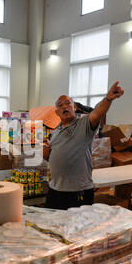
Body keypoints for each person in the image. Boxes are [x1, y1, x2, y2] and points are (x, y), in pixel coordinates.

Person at [43, 81, 124, 210]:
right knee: (52, 226)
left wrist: (108, 99)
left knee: (78, 229)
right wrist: (44, 151)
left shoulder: (84, 124)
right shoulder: (56, 131)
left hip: (77, 191)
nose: (64, 107)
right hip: (55, 190)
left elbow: (97, 112)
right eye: (60, 105)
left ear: (74, 107)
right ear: (56, 112)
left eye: (68, 103)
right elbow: (52, 156)